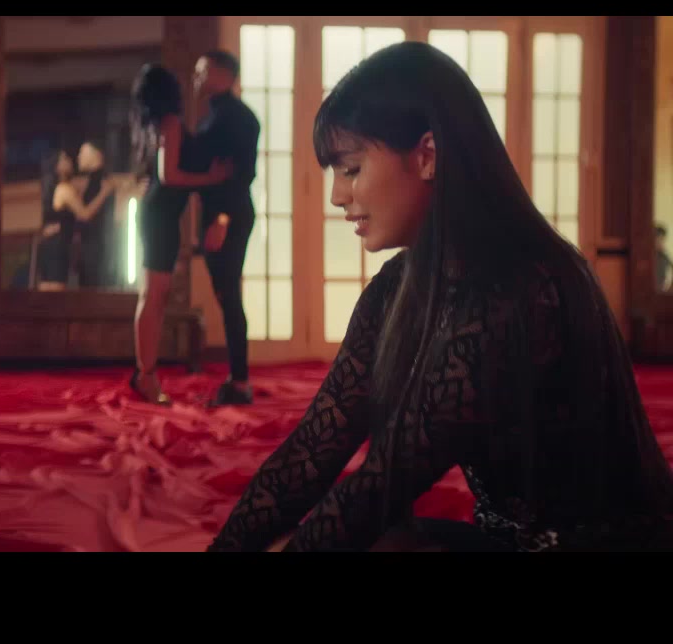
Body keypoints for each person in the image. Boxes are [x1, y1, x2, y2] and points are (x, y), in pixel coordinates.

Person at [208, 42, 673, 552]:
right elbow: (310, 453)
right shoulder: (398, 288)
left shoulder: (523, 290)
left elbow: (379, 488)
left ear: (427, 155)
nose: (338, 195)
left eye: (352, 169)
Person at [129, 64, 233, 403]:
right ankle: (145, 375)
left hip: (159, 214)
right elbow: (170, 176)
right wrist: (211, 178)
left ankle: (145, 373)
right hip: (160, 216)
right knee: (154, 296)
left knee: (154, 296)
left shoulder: (153, 126)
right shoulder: (171, 123)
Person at [190, 51, 262, 407]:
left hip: (229, 215)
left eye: (202, 70)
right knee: (225, 295)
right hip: (217, 215)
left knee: (229, 295)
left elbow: (242, 173)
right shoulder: (215, 114)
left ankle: (241, 381)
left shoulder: (240, 118)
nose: (197, 76)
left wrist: (221, 220)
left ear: (223, 75)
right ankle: (238, 378)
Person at [36, 149, 114, 290]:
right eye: (64, 159)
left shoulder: (57, 189)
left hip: (51, 245)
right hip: (58, 247)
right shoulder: (64, 189)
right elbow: (85, 214)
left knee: (48, 292)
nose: (70, 160)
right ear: (57, 167)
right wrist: (104, 193)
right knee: (56, 292)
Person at [78, 141, 117, 288]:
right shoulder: (96, 181)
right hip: (94, 252)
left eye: (82, 152)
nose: (79, 156)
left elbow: (89, 216)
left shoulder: (101, 183)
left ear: (96, 154)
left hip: (97, 254)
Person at [656, 224, 671, 292]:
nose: (662, 243)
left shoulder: (664, 256)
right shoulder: (649, 257)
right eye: (660, 239)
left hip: (662, 291)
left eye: (663, 240)